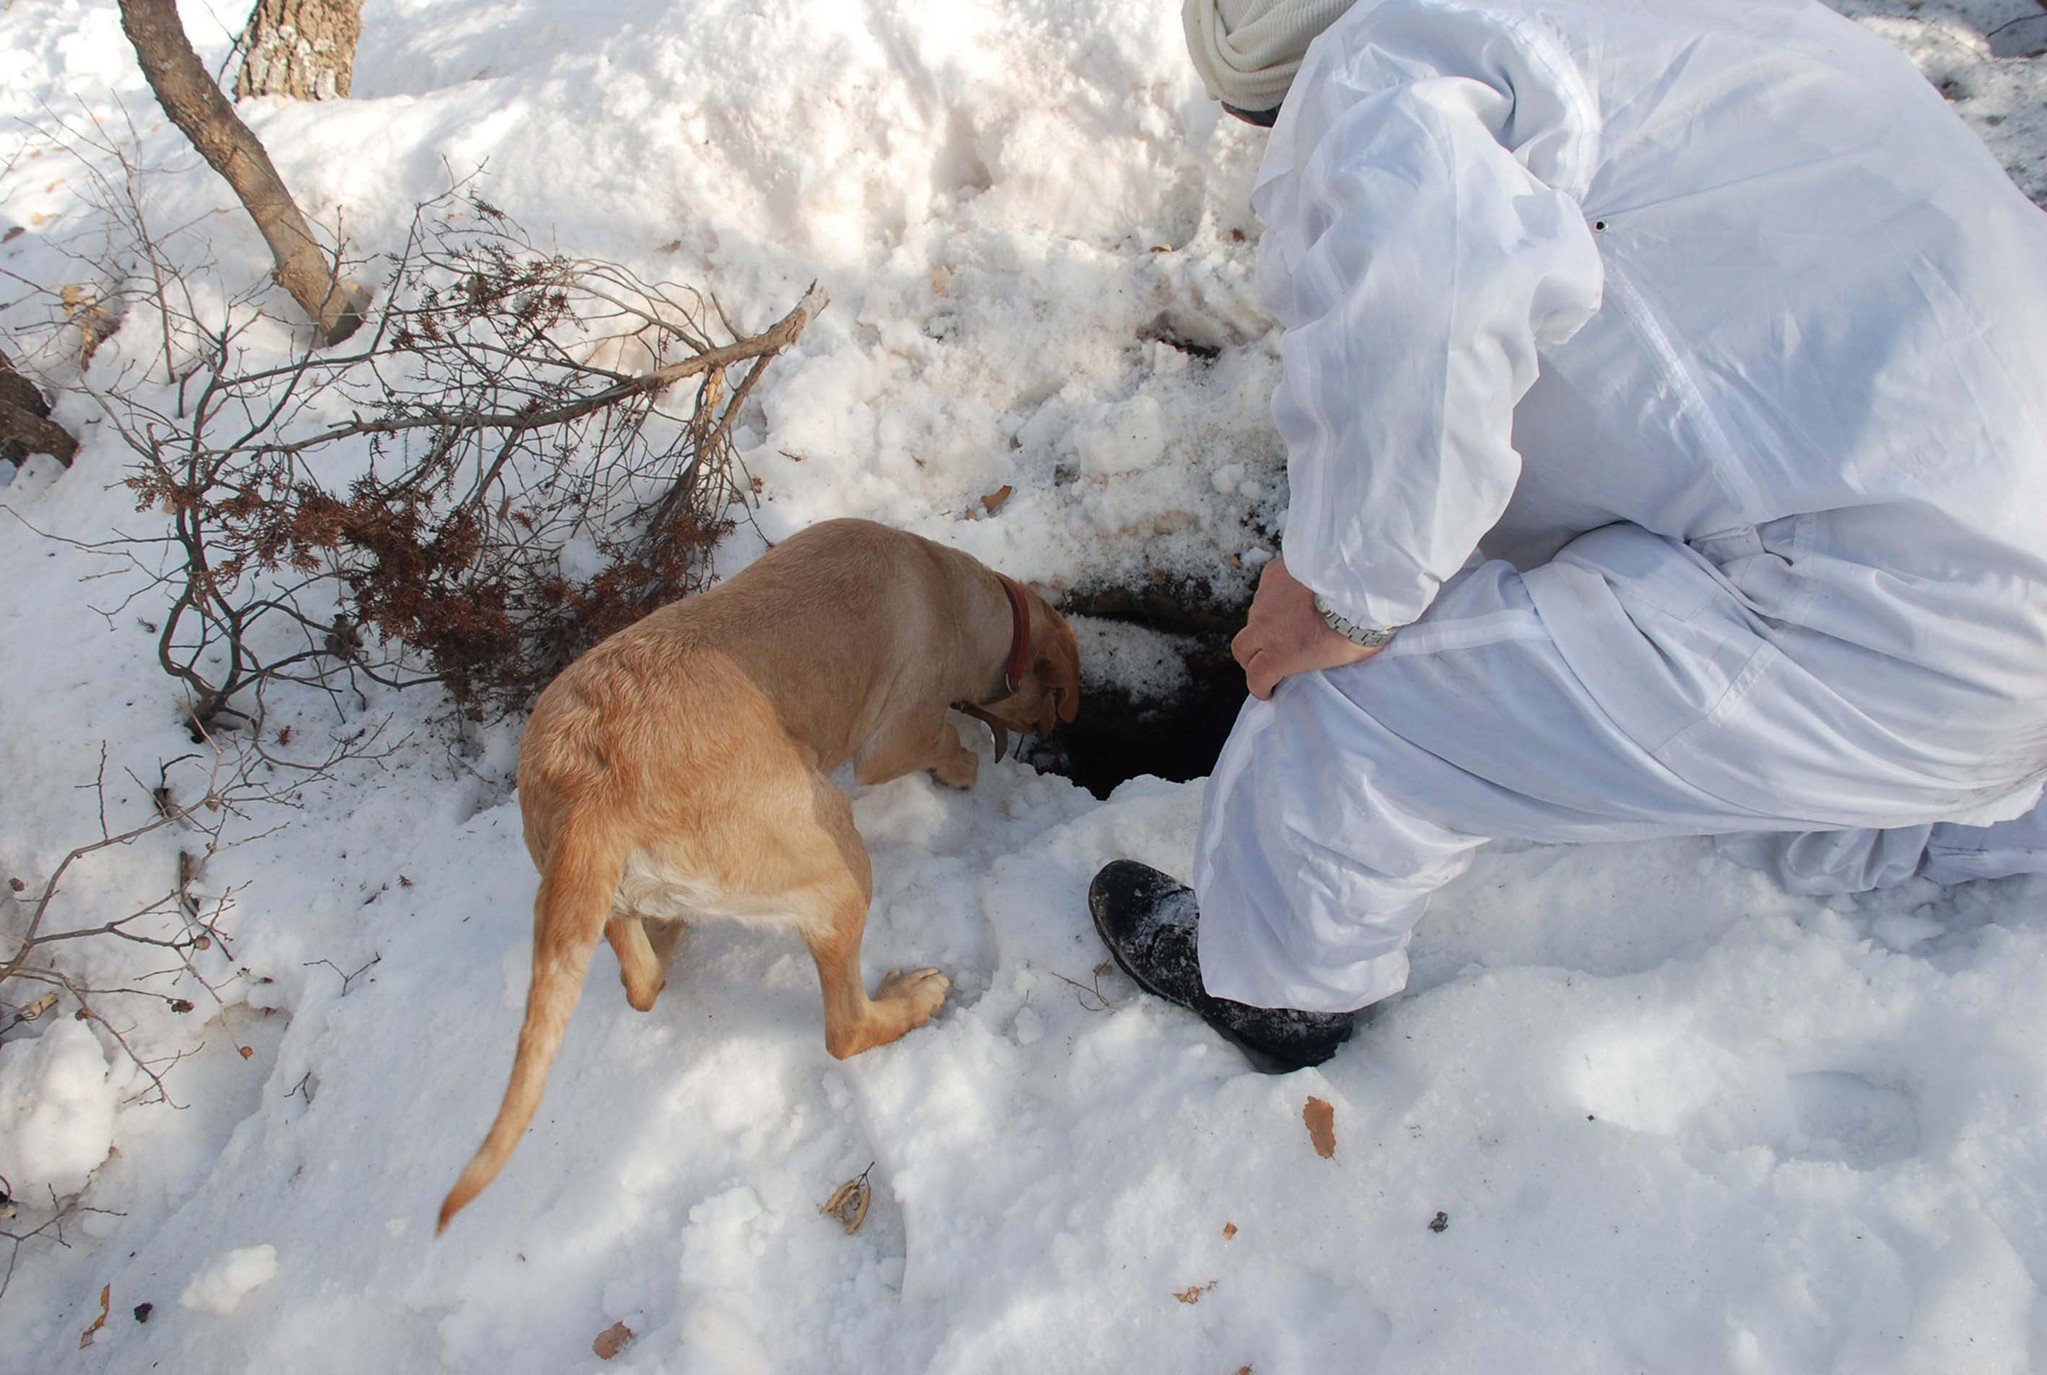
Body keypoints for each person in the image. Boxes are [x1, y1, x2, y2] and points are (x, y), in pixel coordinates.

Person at [1090, 0, 2047, 1069]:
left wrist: (1342, 589)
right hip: (1981, 541)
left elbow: (1428, 309)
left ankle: (1275, 987)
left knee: (1347, 695)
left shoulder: (1390, 59)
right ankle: (1980, 807)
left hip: (1895, 621)